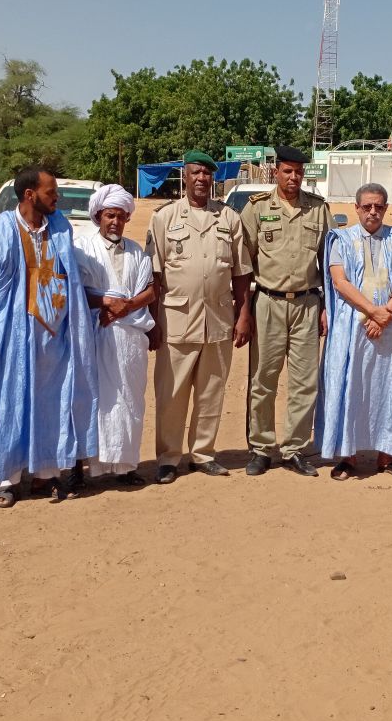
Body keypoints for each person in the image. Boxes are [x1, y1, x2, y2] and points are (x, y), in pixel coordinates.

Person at [0, 166, 98, 505]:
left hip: (52, 336)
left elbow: (67, 276)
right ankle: (8, 480)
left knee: (52, 402)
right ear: (30, 195)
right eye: (51, 192)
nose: (57, 197)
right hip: (10, 337)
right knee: (8, 402)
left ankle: (46, 474)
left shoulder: (60, 227)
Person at [148, 151, 252, 481]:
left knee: (211, 393)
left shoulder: (228, 218)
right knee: (171, 395)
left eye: (207, 174)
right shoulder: (164, 217)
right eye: (196, 172)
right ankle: (168, 458)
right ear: (185, 175)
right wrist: (152, 322)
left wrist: (243, 315)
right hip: (176, 320)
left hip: (218, 319)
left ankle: (203, 454)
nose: (201, 179)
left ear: (213, 179)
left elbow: (241, 273)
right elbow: (154, 274)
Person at [239, 144, 332, 477]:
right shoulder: (256, 208)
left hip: (307, 304)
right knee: (262, 380)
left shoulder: (318, 209)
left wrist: (326, 307)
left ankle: (294, 449)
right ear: (276, 172)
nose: (294, 177)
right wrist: (244, 311)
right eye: (287, 171)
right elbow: (244, 263)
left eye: (299, 172)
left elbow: (329, 263)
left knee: (305, 382)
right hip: (268, 302)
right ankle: (261, 448)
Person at [317, 183, 392, 479]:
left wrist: (385, 314)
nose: (373, 211)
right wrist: (372, 311)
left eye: (379, 206)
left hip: (389, 324)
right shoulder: (341, 239)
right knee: (351, 386)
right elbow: (340, 282)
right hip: (352, 326)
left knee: (388, 390)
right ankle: (348, 456)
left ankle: (387, 455)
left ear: (386, 208)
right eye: (367, 206)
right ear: (357, 208)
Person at [75, 184, 157, 484]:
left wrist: (125, 307)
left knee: (130, 401)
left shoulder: (136, 252)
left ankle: (125, 467)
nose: (116, 222)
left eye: (121, 217)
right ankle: (84, 468)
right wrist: (106, 302)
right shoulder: (83, 248)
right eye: (110, 216)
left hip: (130, 339)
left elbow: (150, 290)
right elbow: (75, 290)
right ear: (99, 216)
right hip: (96, 336)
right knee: (93, 401)